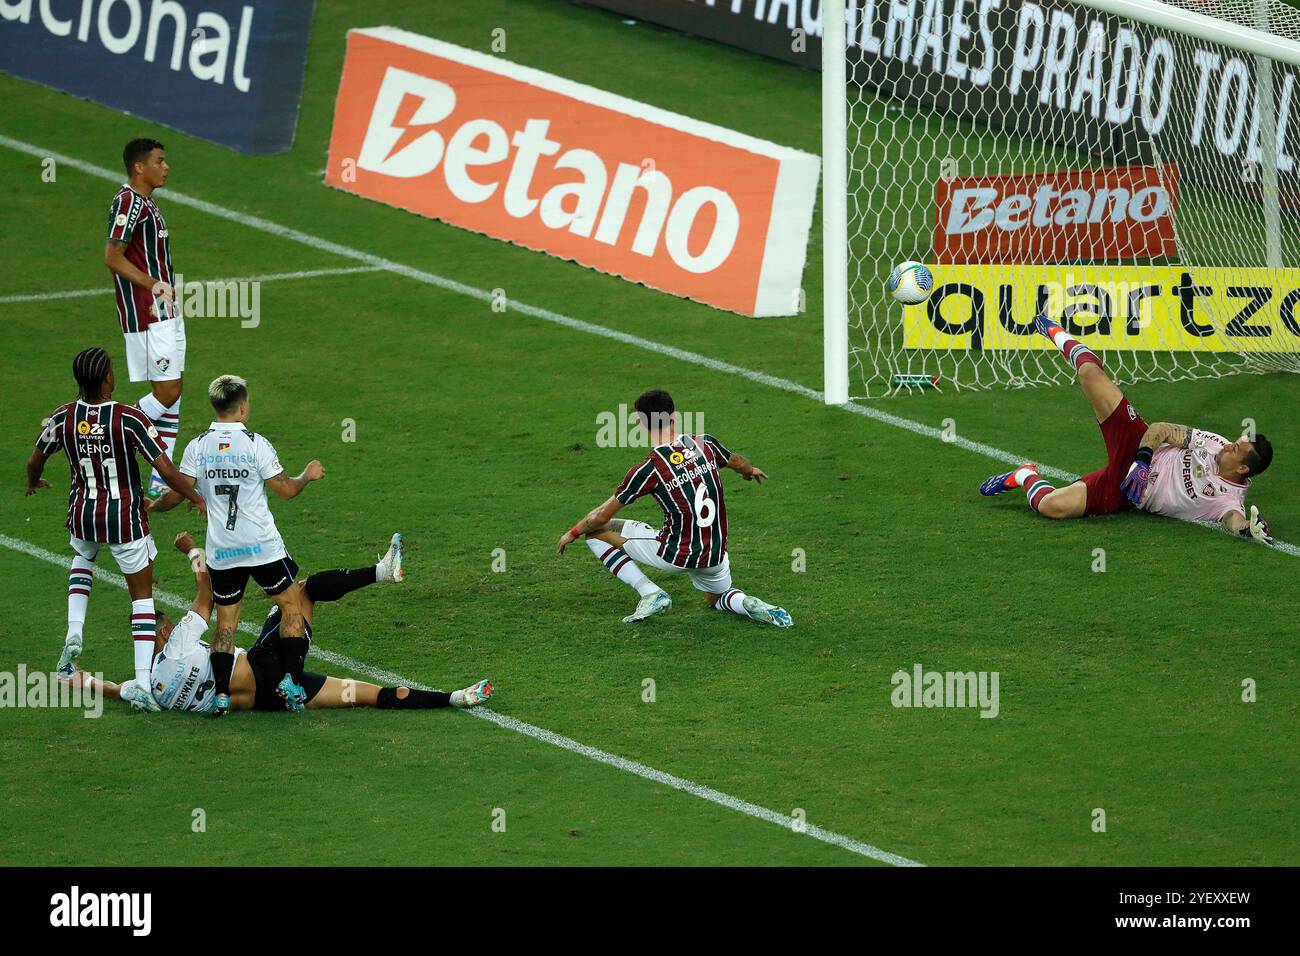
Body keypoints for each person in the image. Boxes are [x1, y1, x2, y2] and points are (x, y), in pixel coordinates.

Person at [77, 532, 492, 715]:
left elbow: (118, 691)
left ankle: (452, 698)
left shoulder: (148, 688)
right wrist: (192, 550)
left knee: (361, 695)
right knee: (301, 591)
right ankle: (383, 572)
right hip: (268, 668)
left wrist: (85, 682)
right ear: (163, 632)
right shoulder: (179, 643)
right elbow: (205, 594)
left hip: (265, 703)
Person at [979, 314, 1275, 544]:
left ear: (1243, 470)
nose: (1226, 446)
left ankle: (1024, 474)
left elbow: (1233, 521)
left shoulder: (1228, 500)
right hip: (1137, 446)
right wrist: (1143, 460)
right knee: (1090, 374)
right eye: (1232, 442)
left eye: (1235, 449)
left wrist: (1249, 529)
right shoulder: (1212, 443)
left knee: (1050, 507)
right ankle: (1057, 332)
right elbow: (1162, 429)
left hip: (1127, 494)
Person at [25, 347, 207, 710]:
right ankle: (141, 681)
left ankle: (74, 632)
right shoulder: (128, 417)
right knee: (141, 596)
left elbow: (35, 459)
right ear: (107, 379)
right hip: (124, 518)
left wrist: (34, 481)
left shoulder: (62, 417)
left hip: (83, 513)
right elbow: (168, 470)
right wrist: (196, 495)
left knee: (83, 557)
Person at [148, 374, 325, 714]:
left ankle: (222, 695)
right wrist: (307, 475)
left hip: (223, 550)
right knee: (291, 607)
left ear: (216, 407)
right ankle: (291, 680)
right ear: (242, 407)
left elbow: (176, 492)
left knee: (226, 623)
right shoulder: (256, 444)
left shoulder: (198, 446)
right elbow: (286, 490)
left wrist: (153, 506)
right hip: (261, 546)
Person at [556, 389, 792, 626]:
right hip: (716, 554)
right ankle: (745, 603)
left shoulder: (649, 468)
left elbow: (599, 517)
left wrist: (572, 532)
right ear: (675, 417)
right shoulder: (705, 444)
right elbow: (736, 461)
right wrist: (750, 471)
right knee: (715, 598)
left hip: (676, 554)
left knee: (595, 533)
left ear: (640, 423)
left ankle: (650, 592)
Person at [105, 138, 185, 497]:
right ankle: (108, 433)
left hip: (163, 310)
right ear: (139, 167)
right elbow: (113, 256)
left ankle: (157, 479)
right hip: (147, 311)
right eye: (159, 161)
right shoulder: (129, 202)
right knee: (169, 390)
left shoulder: (147, 204)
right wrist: (152, 284)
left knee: (172, 389)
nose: (166, 167)